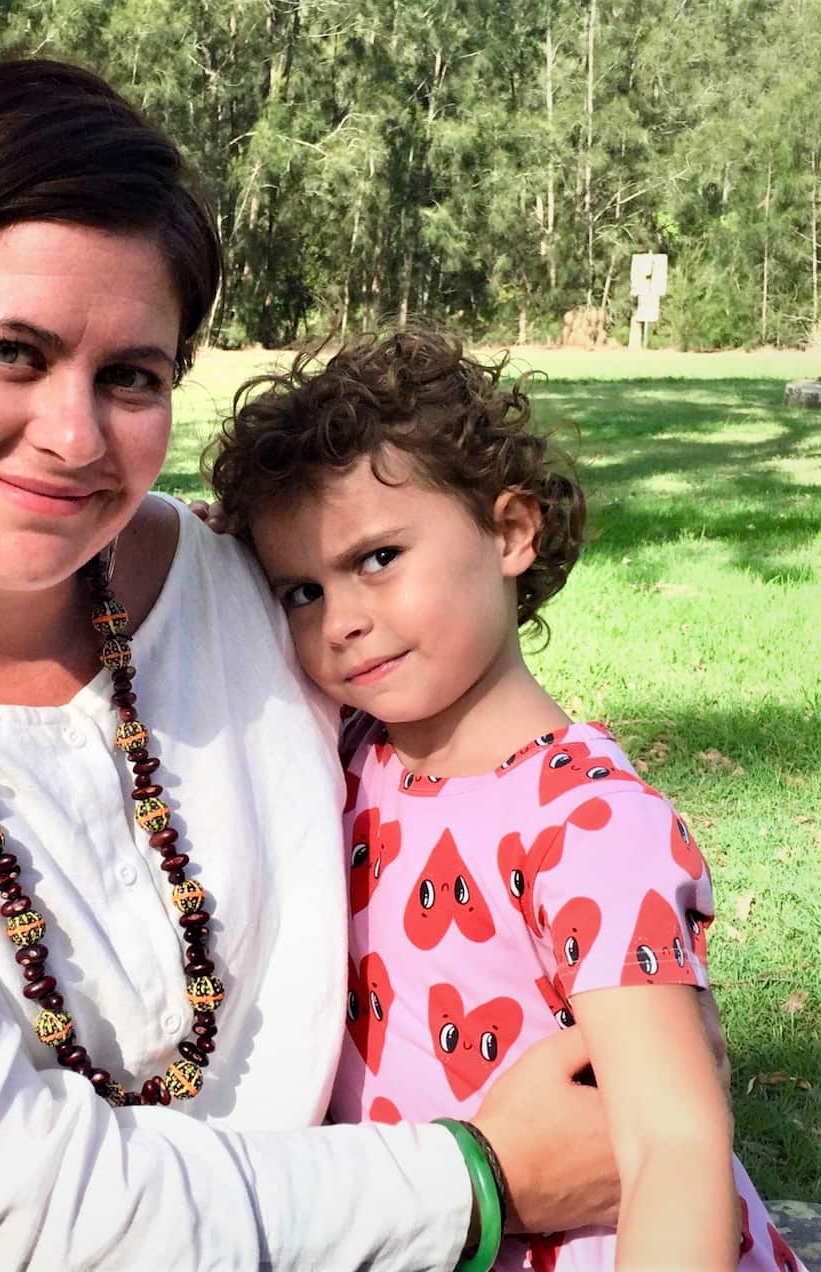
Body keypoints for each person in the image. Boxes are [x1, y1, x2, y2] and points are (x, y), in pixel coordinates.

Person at [0, 61, 619, 1270]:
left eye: (130, 376)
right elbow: (3, 1197)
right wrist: (479, 1179)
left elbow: (500, 795)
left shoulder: (247, 598)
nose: (74, 438)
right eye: (10, 353)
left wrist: (630, 980)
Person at [207, 329, 804, 1272]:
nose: (342, 620)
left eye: (377, 558)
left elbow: (673, 1144)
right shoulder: (344, 752)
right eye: (300, 591)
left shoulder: (590, 827)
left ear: (510, 531)